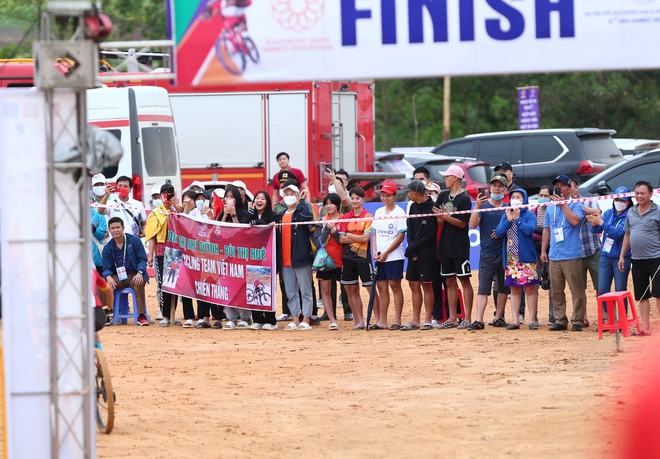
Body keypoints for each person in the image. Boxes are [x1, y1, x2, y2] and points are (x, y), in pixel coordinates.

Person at [540, 175, 586, 331]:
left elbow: (575, 221)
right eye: (556, 186)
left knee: (576, 290)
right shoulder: (550, 207)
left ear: (569, 188)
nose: (558, 188)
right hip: (554, 254)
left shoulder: (576, 204)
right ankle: (560, 320)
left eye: (562, 186)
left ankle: (578, 320)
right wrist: (543, 250)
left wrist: (563, 205)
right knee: (556, 290)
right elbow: (546, 230)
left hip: (571, 254)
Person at [467, 173, 509, 330]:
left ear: (505, 189)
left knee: (504, 287)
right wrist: (477, 206)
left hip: (505, 253)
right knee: (483, 287)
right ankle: (479, 320)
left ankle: (499, 317)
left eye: (500, 186)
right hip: (488, 252)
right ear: (490, 187)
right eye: (494, 185)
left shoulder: (508, 208)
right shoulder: (483, 206)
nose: (497, 188)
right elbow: (472, 225)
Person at [434, 165, 474, 328]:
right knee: (449, 281)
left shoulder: (464, 198)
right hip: (445, 244)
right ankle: (452, 318)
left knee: (464, 280)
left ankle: (468, 317)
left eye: (447, 176)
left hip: (460, 245)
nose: (445, 179)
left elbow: (462, 223)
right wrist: (442, 217)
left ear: (455, 178)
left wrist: (445, 216)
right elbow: (439, 221)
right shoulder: (443, 196)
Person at [619, 181, 660, 336]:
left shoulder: (658, 211)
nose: (639, 196)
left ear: (651, 194)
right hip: (637, 259)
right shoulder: (631, 212)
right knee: (642, 294)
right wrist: (622, 255)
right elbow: (627, 234)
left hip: (657, 258)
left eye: (642, 193)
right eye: (637, 193)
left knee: (659, 293)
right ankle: (645, 327)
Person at [495, 189, 539, 330]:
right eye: (513, 197)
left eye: (518, 197)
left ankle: (532, 320)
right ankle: (515, 321)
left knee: (530, 289)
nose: (515, 199)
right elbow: (498, 233)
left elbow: (529, 230)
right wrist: (508, 221)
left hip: (526, 258)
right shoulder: (505, 215)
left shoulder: (529, 215)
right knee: (514, 290)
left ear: (524, 199)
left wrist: (518, 218)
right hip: (511, 258)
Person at [588, 186, 632, 322]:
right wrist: (595, 222)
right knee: (603, 289)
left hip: (621, 257)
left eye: (622, 200)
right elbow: (594, 230)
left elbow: (618, 233)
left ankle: (622, 318)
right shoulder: (608, 213)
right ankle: (609, 318)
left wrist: (601, 222)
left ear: (628, 202)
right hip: (606, 257)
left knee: (620, 289)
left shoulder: (629, 216)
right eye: (617, 199)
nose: (619, 202)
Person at [276, 182, 315, 330]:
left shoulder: (302, 211)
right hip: (285, 259)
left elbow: (309, 220)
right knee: (290, 291)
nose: (289, 197)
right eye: (286, 194)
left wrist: (304, 201)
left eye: (292, 194)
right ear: (282, 197)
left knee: (305, 289)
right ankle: (294, 319)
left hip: (301, 257)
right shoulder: (280, 216)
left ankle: (306, 318)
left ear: (297, 195)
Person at [402, 179, 437, 330]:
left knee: (427, 286)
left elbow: (430, 234)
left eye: (409, 191)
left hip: (428, 253)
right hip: (414, 252)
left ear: (416, 193)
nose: (407, 194)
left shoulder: (432, 207)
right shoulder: (412, 207)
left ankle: (428, 318)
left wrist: (412, 249)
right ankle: (415, 319)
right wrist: (412, 250)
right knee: (413, 285)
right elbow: (409, 230)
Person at [339, 186, 375, 330]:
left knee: (370, 289)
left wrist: (350, 236)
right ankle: (358, 321)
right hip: (348, 258)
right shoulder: (345, 217)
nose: (354, 201)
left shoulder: (368, 216)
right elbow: (341, 239)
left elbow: (366, 238)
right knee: (352, 291)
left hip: (363, 258)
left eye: (357, 198)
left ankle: (378, 320)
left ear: (363, 199)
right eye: (352, 198)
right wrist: (357, 238)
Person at [371, 180, 407, 330]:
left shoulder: (399, 212)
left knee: (395, 286)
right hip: (380, 256)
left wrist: (386, 252)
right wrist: (374, 251)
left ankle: (397, 319)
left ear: (395, 196)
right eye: (383, 195)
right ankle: (382, 321)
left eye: (388, 195)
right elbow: (375, 233)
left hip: (394, 256)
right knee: (382, 288)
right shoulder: (379, 212)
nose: (385, 198)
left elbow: (400, 236)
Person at [102, 217, 150, 326]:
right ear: (109, 230)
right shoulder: (108, 247)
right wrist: (108, 276)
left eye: (118, 227)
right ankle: (106, 313)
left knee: (138, 282)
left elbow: (142, 259)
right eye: (112, 228)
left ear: (123, 228)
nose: (115, 230)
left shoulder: (134, 240)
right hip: (118, 277)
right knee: (103, 284)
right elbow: (106, 267)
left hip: (134, 274)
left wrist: (140, 272)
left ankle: (141, 315)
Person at [145, 184, 180, 327]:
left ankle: (172, 315)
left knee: (174, 285)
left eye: (170, 193)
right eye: (164, 193)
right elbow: (152, 236)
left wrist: (175, 205)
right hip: (161, 252)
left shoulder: (176, 211)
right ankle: (164, 315)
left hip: (175, 253)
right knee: (163, 284)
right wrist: (150, 256)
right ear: (161, 195)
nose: (167, 196)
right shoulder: (155, 214)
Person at [218, 185, 252, 329]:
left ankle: (245, 317)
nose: (229, 199)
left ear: (237, 199)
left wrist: (233, 215)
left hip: (241, 256)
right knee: (227, 285)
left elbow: (242, 234)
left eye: (232, 197)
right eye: (227, 197)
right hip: (225, 256)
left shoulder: (245, 214)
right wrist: (225, 215)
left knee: (243, 285)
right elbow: (217, 232)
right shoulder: (221, 215)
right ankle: (231, 317)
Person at [570, 176, 601, 327]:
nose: (568, 190)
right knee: (579, 289)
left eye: (571, 187)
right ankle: (582, 317)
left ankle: (604, 316)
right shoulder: (563, 205)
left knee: (600, 286)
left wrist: (579, 205)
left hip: (593, 249)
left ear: (577, 188)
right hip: (575, 253)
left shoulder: (589, 201)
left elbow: (597, 213)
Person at [247, 190, 279, 331]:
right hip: (253, 257)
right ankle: (258, 319)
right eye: (257, 198)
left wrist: (260, 223)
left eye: (263, 198)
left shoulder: (273, 217)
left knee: (268, 287)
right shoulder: (248, 216)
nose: (259, 200)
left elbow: (275, 233)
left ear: (268, 202)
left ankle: (271, 320)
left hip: (268, 257)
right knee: (253, 286)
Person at [315, 193, 345, 330]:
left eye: (331, 203)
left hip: (342, 259)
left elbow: (347, 241)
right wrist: (325, 231)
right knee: (325, 290)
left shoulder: (345, 219)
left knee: (350, 289)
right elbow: (317, 242)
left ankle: (356, 317)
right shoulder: (322, 220)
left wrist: (336, 234)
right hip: (325, 261)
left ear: (337, 204)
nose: (328, 206)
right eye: (326, 203)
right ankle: (332, 319)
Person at [534, 185, 555, 324]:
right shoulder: (532, 211)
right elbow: (529, 231)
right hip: (535, 250)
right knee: (534, 284)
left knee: (554, 283)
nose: (542, 198)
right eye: (540, 195)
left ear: (551, 197)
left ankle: (553, 316)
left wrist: (538, 231)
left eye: (545, 196)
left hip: (552, 250)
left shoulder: (554, 211)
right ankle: (533, 316)